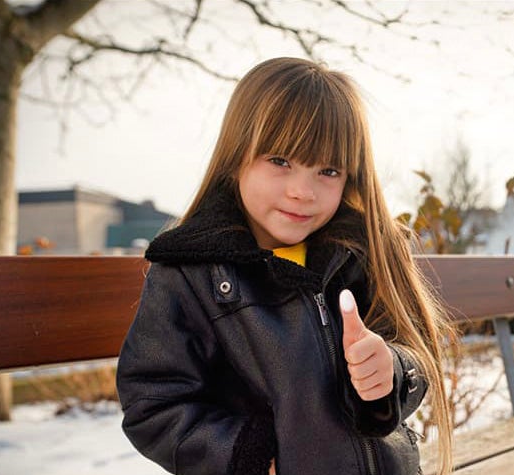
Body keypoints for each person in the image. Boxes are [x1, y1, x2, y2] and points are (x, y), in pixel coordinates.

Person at [116, 57, 455, 475]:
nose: (302, 192)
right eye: (280, 161)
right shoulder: (191, 272)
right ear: (237, 154)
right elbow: (154, 402)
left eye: (327, 170)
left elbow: (416, 352)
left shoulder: (361, 255)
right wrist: (247, 456)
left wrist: (391, 373)